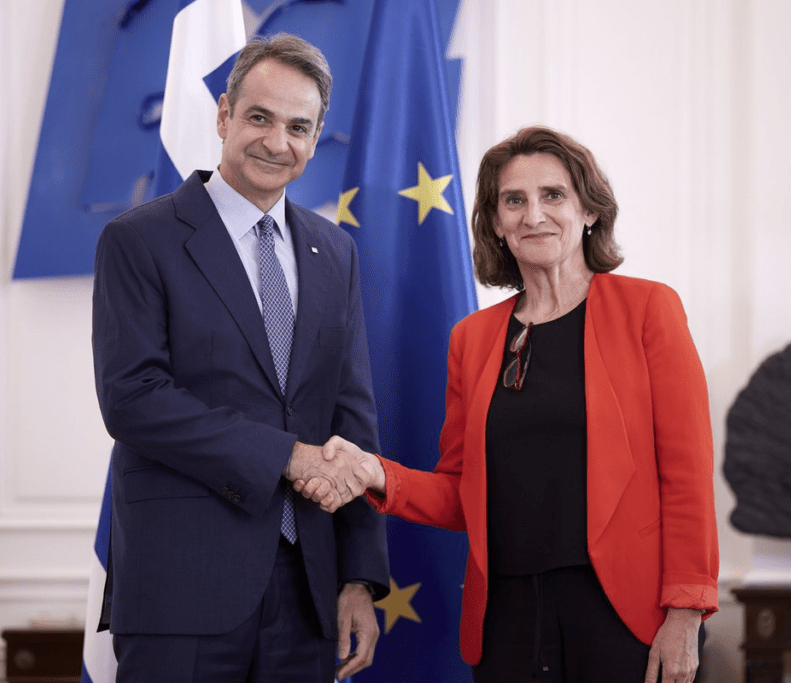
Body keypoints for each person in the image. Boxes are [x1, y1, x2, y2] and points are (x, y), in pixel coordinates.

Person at [300, 126, 719, 683]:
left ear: (589, 210)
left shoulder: (648, 310)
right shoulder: (472, 339)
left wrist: (686, 612)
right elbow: (461, 493)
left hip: (625, 616)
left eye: (553, 195)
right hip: (508, 619)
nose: (533, 215)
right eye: (514, 200)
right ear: (496, 223)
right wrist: (375, 472)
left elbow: (687, 476)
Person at [91, 33, 388, 683]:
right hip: (180, 588)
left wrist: (359, 575)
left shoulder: (335, 253)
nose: (278, 142)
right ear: (224, 115)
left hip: (309, 592)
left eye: (298, 127)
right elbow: (133, 399)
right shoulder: (138, 240)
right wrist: (287, 456)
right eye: (259, 117)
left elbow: (351, 418)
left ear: (316, 138)